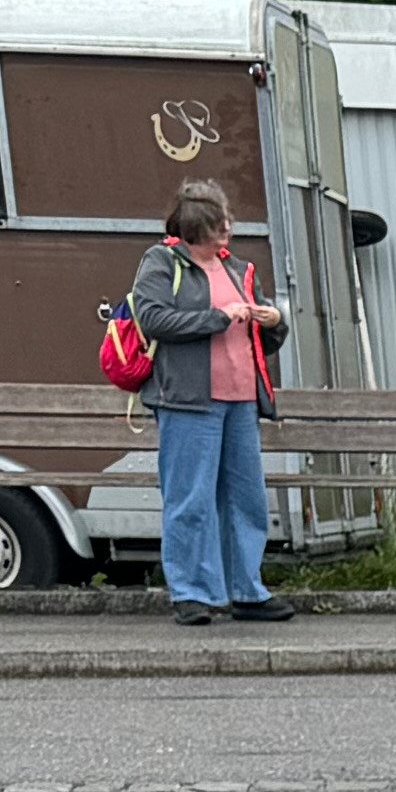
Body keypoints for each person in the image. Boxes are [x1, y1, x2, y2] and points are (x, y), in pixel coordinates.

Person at [124, 185, 294, 627]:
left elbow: (258, 335)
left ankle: (247, 591)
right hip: (186, 401)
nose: (229, 229)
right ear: (199, 225)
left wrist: (274, 322)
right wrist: (219, 318)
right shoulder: (161, 263)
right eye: (222, 222)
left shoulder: (237, 267)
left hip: (240, 400)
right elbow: (153, 317)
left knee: (246, 498)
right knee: (190, 498)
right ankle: (191, 593)